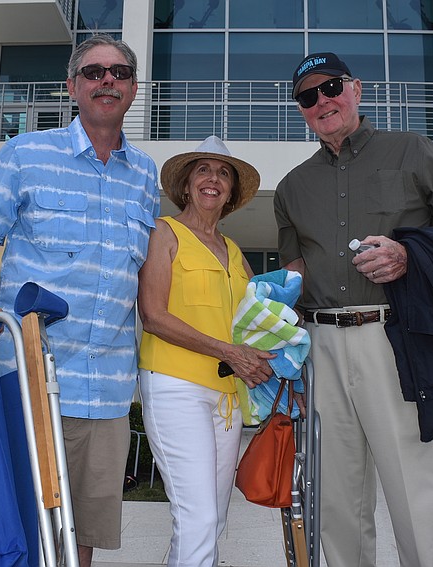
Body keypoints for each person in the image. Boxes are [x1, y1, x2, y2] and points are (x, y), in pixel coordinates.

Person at [0, 34, 160, 567]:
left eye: (118, 72)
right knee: (17, 524)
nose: (106, 80)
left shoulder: (145, 176)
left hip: (109, 388)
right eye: (93, 72)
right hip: (30, 378)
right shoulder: (25, 154)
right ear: (72, 87)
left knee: (80, 534)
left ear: (134, 88)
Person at [274, 52, 433, 567]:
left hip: (398, 339)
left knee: (419, 490)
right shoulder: (290, 188)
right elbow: (293, 275)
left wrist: (410, 254)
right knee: (336, 501)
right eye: (308, 96)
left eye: (331, 88)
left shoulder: (412, 150)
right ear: (301, 110)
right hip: (320, 346)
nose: (322, 101)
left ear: (356, 89)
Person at [137, 136, 275, 566]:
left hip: (227, 399)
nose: (213, 179)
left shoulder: (234, 252)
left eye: (223, 173)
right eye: (203, 170)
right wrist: (228, 351)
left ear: (231, 191)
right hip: (175, 387)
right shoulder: (164, 232)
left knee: (211, 519)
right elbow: (154, 315)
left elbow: (259, 319)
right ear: (186, 184)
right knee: (197, 516)